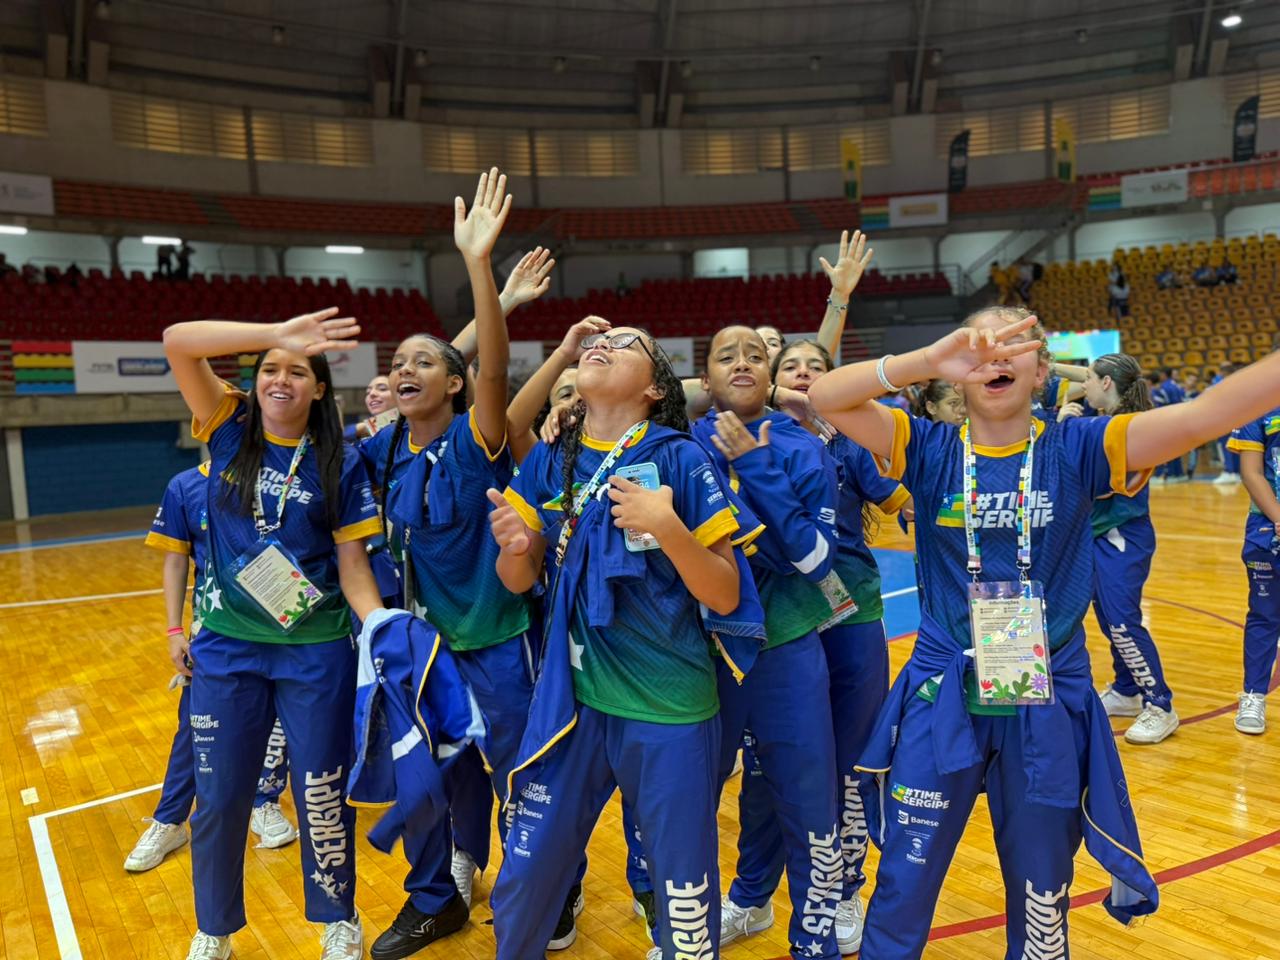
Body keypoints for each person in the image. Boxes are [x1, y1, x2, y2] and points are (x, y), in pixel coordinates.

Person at [487, 325, 748, 960]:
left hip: (667, 704)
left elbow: (725, 595)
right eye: (601, 341)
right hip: (571, 702)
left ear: (655, 388)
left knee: (682, 888)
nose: (604, 343)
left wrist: (668, 527)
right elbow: (516, 580)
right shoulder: (551, 455)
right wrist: (517, 549)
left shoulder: (681, 458)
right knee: (526, 870)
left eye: (630, 343)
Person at [361, 168, 563, 960]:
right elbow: (442, 360)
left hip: (497, 639)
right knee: (437, 777)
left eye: (423, 363)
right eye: (397, 363)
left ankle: (553, 884)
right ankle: (445, 892)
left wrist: (481, 270)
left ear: (453, 383)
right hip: (426, 649)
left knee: (519, 773)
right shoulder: (381, 451)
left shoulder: (474, 441)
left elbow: (488, 370)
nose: (404, 370)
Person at [162, 307, 386, 960]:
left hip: (314, 650)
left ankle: (338, 918)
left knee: (320, 792)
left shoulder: (340, 463)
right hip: (228, 648)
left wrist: (383, 627)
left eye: (296, 372)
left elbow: (353, 567)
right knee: (221, 797)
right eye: (270, 370)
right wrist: (276, 336)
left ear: (320, 390)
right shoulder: (229, 426)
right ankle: (215, 928)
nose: (280, 380)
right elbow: (177, 341)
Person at [724, 337, 908, 954]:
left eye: (816, 369)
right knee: (765, 769)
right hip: (779, 623)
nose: (802, 376)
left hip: (849, 615)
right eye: (790, 369)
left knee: (850, 764)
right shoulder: (732, 438)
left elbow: (909, 501)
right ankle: (752, 895)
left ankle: (844, 888)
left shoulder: (850, 442)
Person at [691, 325, 846, 960]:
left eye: (755, 355)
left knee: (808, 802)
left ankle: (816, 940)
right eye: (725, 356)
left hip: (786, 648)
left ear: (773, 374)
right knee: (692, 800)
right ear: (705, 378)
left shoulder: (803, 448)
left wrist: (755, 467)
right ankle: (696, 929)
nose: (742, 363)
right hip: (703, 656)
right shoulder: (678, 444)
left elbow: (815, 562)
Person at [126, 462, 299, 875]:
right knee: (196, 725)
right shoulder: (185, 486)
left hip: (287, 625)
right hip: (217, 633)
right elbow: (175, 561)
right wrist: (174, 630)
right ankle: (170, 820)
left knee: (280, 721)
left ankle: (264, 802)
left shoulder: (287, 477)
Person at [1063, 354, 1179, 744]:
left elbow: (1100, 485)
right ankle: (1128, 690)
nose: (1083, 385)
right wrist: (1044, 362)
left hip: (1122, 535)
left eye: (1090, 379)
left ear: (1107, 383)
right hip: (1098, 533)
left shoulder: (1127, 427)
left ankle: (1160, 704)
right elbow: (1086, 376)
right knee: (1107, 618)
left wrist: (1066, 427)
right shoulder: (1104, 418)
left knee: (1121, 621)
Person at [1226, 394, 1280, 735]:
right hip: (1267, 530)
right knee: (1264, 614)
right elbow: (1251, 471)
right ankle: (1254, 694)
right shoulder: (1258, 406)